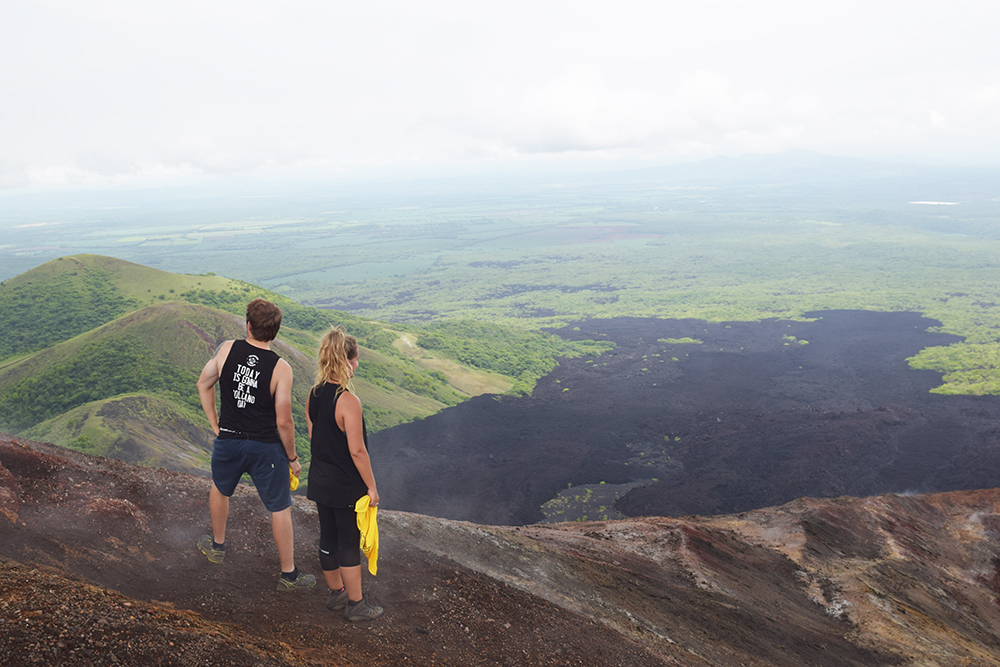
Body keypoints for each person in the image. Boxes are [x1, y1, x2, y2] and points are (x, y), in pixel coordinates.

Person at [195, 297, 316, 592]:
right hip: (265, 448)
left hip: (229, 440)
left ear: (248, 326)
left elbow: (203, 383)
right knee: (279, 507)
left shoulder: (226, 349)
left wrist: (215, 424)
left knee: (220, 488)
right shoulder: (281, 368)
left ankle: (217, 546)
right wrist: (293, 458)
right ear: (274, 331)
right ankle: (288, 575)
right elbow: (284, 421)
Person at [305, 326, 383, 621]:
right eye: (356, 359)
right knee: (348, 543)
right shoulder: (348, 401)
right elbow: (357, 451)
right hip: (345, 484)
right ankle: (356, 604)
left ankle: (336, 594)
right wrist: (371, 488)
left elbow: (316, 438)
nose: (358, 364)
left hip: (321, 481)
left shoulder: (313, 395)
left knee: (328, 538)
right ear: (347, 361)